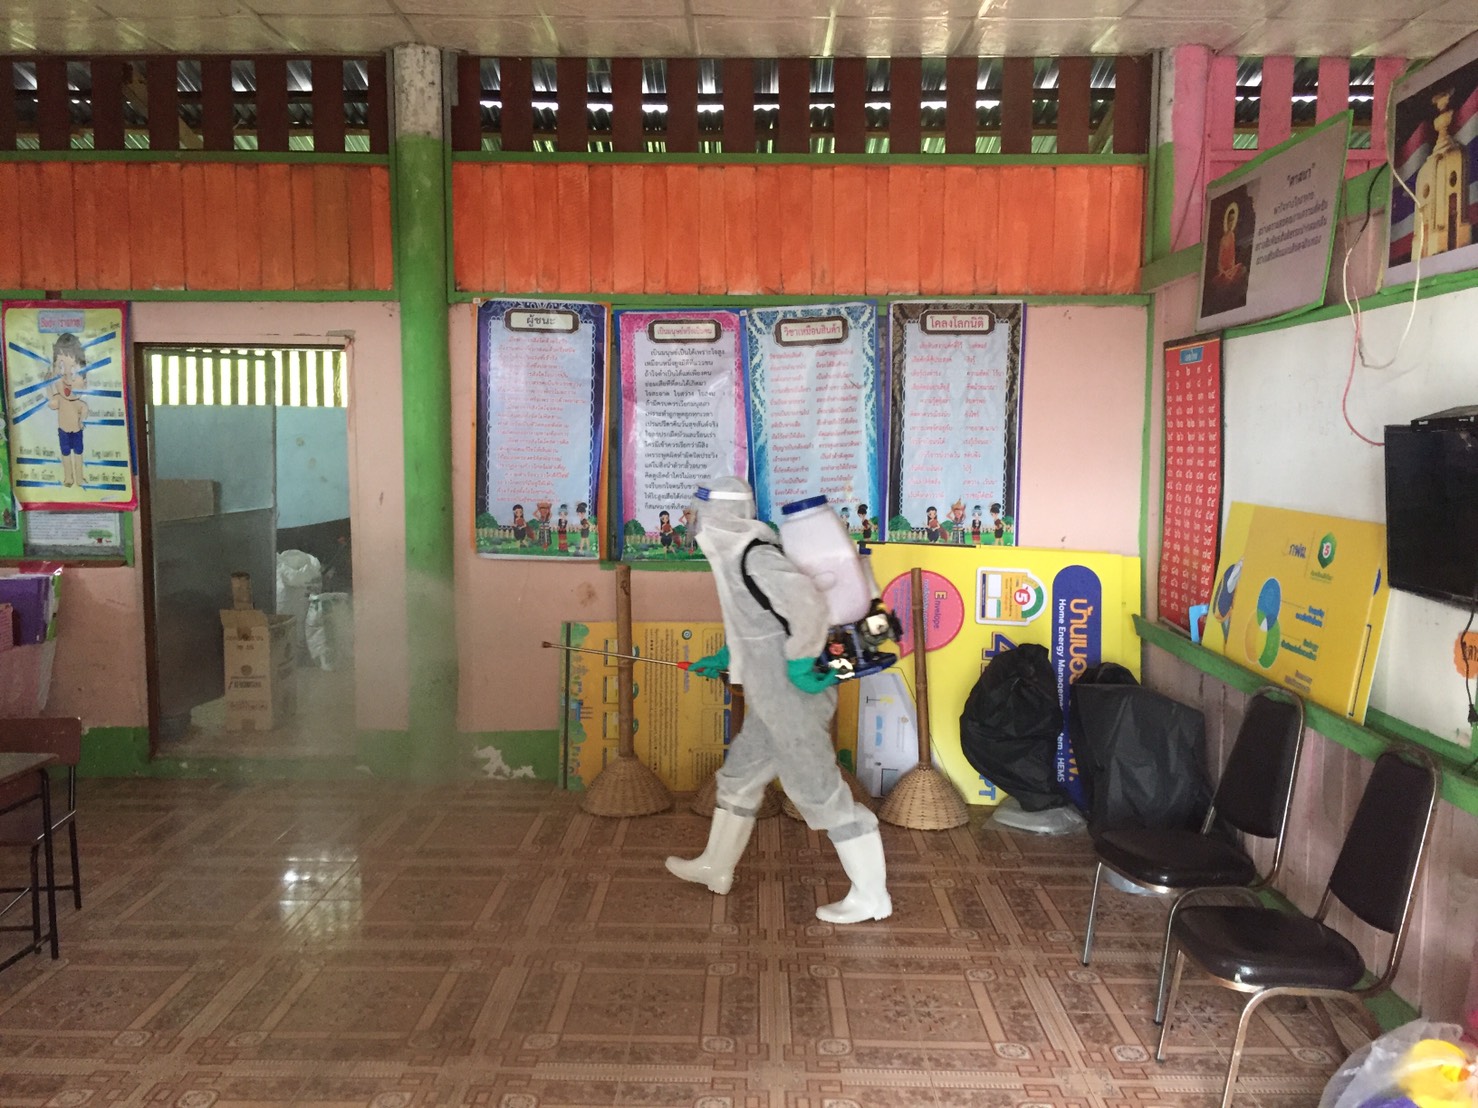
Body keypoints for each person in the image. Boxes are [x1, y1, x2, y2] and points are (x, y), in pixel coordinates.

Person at [665, 476, 891, 925]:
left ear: (719, 515)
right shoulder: (733, 557)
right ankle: (716, 867)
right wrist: (727, 657)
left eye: (699, 513)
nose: (694, 522)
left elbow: (806, 607)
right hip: (770, 698)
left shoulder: (755, 555)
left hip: (793, 697)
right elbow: (756, 622)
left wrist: (802, 662)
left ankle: (871, 896)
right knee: (739, 778)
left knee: (817, 790)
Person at [46, 333, 90, 489]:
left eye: (73, 371)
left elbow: (84, 410)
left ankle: (79, 478)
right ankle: (69, 478)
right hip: (63, 431)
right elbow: (52, 404)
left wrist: (81, 421)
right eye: (61, 368)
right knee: (65, 454)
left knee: (78, 453)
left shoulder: (79, 403)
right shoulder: (59, 398)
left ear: (84, 382)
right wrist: (48, 386)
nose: (67, 378)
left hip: (77, 431)